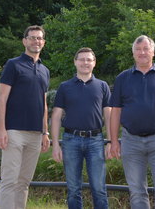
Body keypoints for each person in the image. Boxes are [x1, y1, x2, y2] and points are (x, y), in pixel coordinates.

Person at [109, 35, 155, 209]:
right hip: (130, 141)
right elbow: (116, 112)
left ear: (153, 52)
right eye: (138, 49)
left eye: (146, 49)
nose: (142, 52)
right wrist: (113, 141)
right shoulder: (122, 78)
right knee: (137, 191)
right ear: (133, 53)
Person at [0, 25, 51, 209]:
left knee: (24, 182)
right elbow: (2, 98)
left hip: (35, 133)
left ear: (43, 42)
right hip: (14, 131)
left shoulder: (45, 70)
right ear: (24, 41)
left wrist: (45, 132)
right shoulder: (13, 64)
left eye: (39, 38)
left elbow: (43, 104)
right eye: (32, 37)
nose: (36, 41)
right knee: (10, 180)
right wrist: (1, 129)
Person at [51, 48, 111, 209]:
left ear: (94, 63)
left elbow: (109, 115)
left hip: (96, 141)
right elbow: (56, 116)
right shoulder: (65, 87)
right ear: (75, 62)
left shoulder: (102, 86)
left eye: (89, 60)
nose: (85, 62)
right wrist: (56, 144)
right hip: (71, 141)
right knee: (73, 189)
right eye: (82, 59)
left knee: (99, 189)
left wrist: (111, 141)